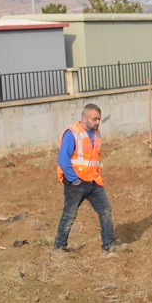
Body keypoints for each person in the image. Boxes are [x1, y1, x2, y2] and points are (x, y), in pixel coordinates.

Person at [54, 103, 115, 253]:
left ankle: (109, 246)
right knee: (69, 216)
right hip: (77, 183)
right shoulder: (72, 133)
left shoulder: (96, 133)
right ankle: (59, 247)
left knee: (106, 211)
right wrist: (74, 179)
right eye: (94, 119)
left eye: (99, 119)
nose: (98, 122)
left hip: (94, 180)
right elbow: (63, 159)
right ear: (84, 117)